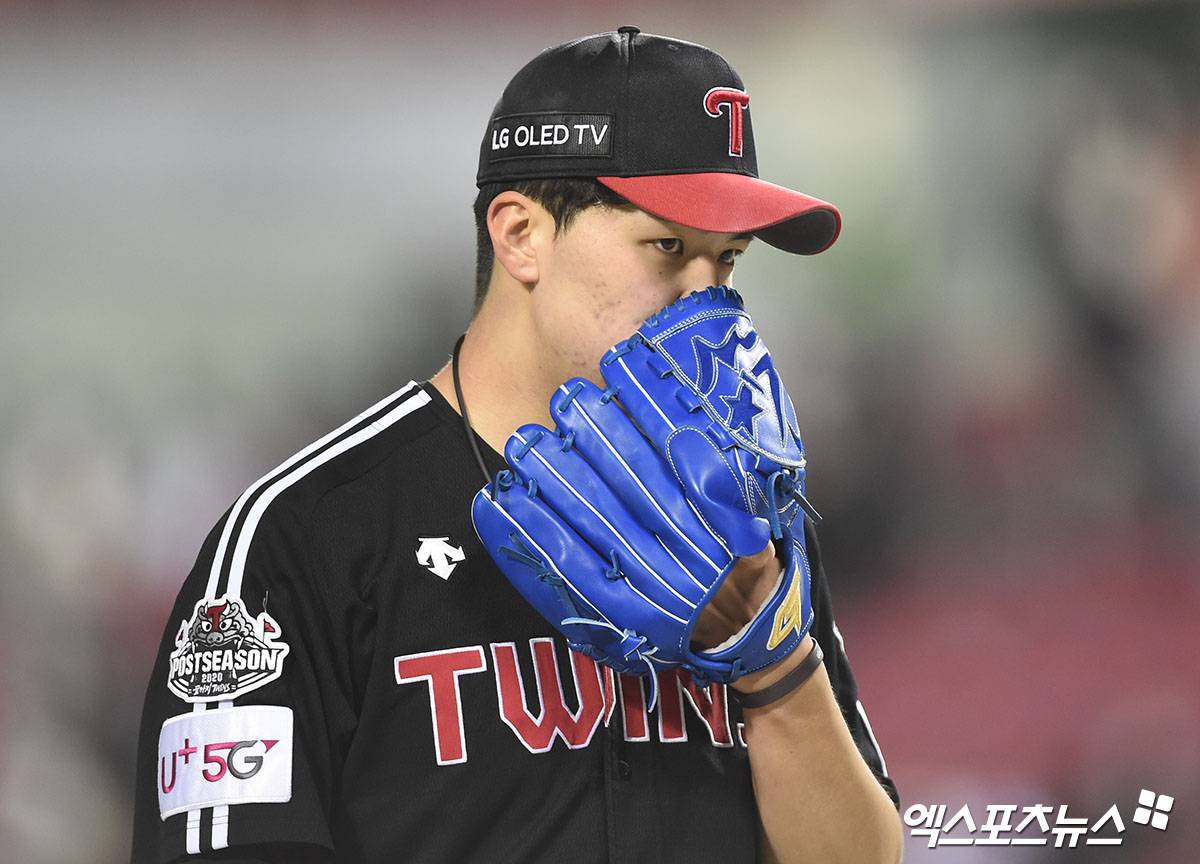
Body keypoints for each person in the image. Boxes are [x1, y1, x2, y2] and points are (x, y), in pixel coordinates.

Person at [132, 26, 902, 864]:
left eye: (727, 263)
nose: (707, 304)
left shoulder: (747, 521)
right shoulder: (308, 538)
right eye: (668, 248)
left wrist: (777, 673)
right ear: (520, 235)